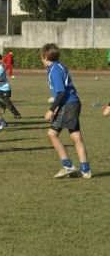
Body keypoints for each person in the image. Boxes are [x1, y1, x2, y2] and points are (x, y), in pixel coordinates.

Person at [41, 43, 91, 179]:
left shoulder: (54, 69)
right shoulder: (59, 66)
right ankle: (85, 170)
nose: (41, 59)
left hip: (68, 104)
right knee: (76, 136)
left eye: (42, 57)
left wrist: (51, 110)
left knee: (52, 135)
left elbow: (61, 92)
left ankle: (67, 165)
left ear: (46, 56)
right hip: (73, 102)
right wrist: (56, 106)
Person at [0, 53, 21, 119]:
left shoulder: (0, 69)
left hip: (5, 89)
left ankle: (17, 114)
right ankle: (2, 106)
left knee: (8, 103)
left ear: (0, 60)